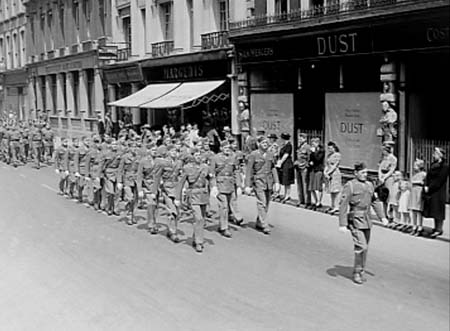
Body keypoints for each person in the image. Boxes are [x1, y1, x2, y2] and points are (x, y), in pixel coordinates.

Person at [339, 162, 388, 285]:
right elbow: (343, 205)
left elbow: (375, 201)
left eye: (366, 172)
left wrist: (382, 217)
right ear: (356, 173)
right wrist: (342, 223)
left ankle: (361, 270)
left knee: (365, 248)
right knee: (361, 246)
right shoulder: (350, 185)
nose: (365, 175)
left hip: (367, 219)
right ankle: (356, 272)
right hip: (355, 219)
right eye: (362, 172)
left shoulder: (369, 185)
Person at [176, 148, 212, 253]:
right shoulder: (187, 168)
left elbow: (211, 178)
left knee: (202, 220)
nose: (199, 157)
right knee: (198, 218)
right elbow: (180, 183)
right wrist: (178, 198)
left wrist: (214, 187)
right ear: (192, 156)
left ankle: (196, 237)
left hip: (203, 195)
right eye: (196, 155)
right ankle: (199, 242)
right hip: (193, 195)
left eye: (200, 155)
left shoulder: (205, 167)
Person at [245, 136, 280, 235]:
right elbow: (249, 170)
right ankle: (264, 224)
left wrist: (277, 182)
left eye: (266, 143)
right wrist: (247, 185)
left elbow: (273, 168)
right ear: (258, 144)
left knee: (267, 202)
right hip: (258, 180)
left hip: (268, 181)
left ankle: (260, 221)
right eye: (263, 143)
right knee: (262, 202)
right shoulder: (254, 155)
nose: (265, 145)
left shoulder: (270, 154)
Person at [210, 141, 243, 238]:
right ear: (221, 148)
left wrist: (239, 185)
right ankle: (224, 227)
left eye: (228, 147)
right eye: (225, 148)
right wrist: (214, 186)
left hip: (231, 184)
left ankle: (236, 216)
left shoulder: (233, 157)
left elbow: (236, 171)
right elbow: (212, 173)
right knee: (223, 206)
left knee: (233, 202)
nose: (227, 149)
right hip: (220, 184)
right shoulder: (215, 158)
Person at [423, 147, 449, 239]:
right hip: (431, 190)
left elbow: (440, 180)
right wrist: (426, 185)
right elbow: (428, 175)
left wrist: (430, 187)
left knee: (439, 210)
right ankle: (435, 227)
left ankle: (439, 229)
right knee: (434, 209)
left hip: (438, 190)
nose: (434, 154)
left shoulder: (444, 166)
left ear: (440, 154)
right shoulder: (434, 164)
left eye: (436, 153)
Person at [378, 144, 397, 216]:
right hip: (382, 176)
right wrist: (380, 176)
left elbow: (392, 169)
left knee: (389, 195)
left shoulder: (393, 158)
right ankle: (385, 213)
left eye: (384, 150)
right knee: (383, 196)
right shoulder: (383, 158)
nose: (383, 152)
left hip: (389, 177)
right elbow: (380, 167)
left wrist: (385, 176)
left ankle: (391, 213)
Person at [409, 159, 426, 236]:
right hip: (413, 191)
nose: (414, 167)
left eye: (415, 166)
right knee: (414, 210)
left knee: (419, 210)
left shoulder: (423, 174)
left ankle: (420, 227)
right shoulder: (415, 174)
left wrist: (416, 182)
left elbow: (423, 182)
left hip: (419, 192)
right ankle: (414, 226)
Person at [324, 141, 342, 214]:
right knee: (331, 191)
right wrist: (325, 172)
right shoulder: (329, 155)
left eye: (330, 148)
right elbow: (327, 164)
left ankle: (336, 206)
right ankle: (332, 205)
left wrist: (328, 172)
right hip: (328, 174)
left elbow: (334, 165)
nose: (329, 149)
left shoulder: (337, 155)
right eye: (328, 148)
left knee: (336, 191)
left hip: (334, 173)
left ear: (334, 148)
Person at [276, 133, 295, 204]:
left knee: (287, 180)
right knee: (284, 180)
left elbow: (286, 155)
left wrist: (280, 162)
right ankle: (285, 194)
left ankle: (288, 195)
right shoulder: (283, 146)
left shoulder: (289, 146)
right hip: (283, 164)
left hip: (287, 163)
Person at [294, 133, 311, 208]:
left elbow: (310, 158)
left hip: (304, 167)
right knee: (299, 184)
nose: (300, 140)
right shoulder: (299, 146)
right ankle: (301, 199)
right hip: (298, 167)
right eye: (299, 139)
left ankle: (307, 201)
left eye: (301, 139)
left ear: (305, 139)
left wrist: (306, 165)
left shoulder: (307, 147)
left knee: (305, 184)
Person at [308, 137, 325, 210]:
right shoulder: (313, 151)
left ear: (317, 143)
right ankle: (315, 201)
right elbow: (311, 159)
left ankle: (319, 202)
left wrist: (314, 152)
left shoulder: (321, 150)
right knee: (312, 188)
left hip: (318, 169)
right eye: (312, 143)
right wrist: (310, 162)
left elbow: (318, 159)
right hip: (312, 169)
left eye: (313, 143)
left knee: (317, 187)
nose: (312, 145)